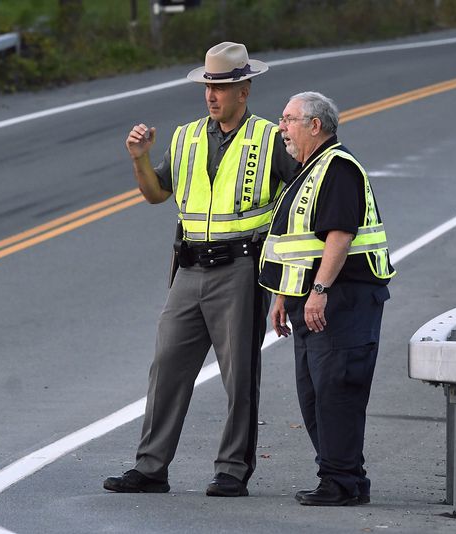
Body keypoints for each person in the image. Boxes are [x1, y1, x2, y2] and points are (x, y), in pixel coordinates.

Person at [103, 42, 300, 497]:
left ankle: (232, 469)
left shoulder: (270, 138)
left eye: (222, 87)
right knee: (166, 367)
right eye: (208, 85)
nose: (212, 95)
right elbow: (157, 194)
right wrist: (138, 158)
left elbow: (302, 197)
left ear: (244, 89)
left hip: (241, 268)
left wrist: (289, 274)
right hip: (188, 269)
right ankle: (151, 468)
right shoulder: (186, 136)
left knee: (239, 374)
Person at [259, 92, 395, 506]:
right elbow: (298, 243)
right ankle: (341, 477)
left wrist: (318, 292)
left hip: (342, 300)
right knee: (315, 394)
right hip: (310, 300)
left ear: (314, 125)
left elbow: (339, 235)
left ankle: (341, 482)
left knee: (337, 391)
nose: (281, 127)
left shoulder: (336, 167)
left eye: (288, 120)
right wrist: (284, 296)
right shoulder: (309, 170)